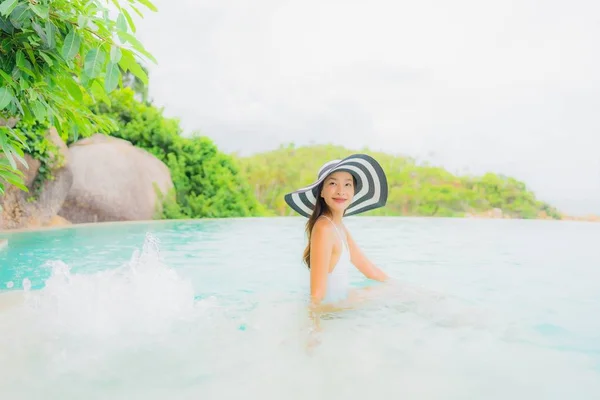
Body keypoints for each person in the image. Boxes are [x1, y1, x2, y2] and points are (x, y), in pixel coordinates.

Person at [284, 154, 391, 319]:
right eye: (333, 183)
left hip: (338, 307)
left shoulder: (339, 227)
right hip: (330, 312)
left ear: (354, 191)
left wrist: (401, 288)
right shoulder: (324, 228)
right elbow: (316, 296)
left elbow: (371, 271)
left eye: (347, 184)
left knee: (388, 293)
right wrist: (314, 333)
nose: (341, 191)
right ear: (321, 192)